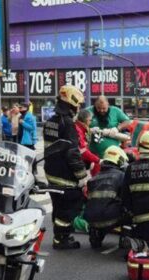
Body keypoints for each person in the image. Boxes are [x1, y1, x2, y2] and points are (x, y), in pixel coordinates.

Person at [43, 85, 89, 250]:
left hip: (51, 172)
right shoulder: (68, 124)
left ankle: (58, 236)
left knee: (58, 205)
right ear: (73, 103)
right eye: (78, 105)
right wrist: (82, 176)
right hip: (64, 174)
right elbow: (72, 153)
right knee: (71, 204)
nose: (79, 108)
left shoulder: (50, 122)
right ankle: (62, 238)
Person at [84, 146, 129, 249]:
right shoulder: (122, 176)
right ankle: (126, 239)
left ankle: (95, 234)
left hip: (91, 220)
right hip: (111, 219)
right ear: (120, 160)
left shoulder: (93, 179)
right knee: (131, 208)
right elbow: (127, 199)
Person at [74, 110, 101, 177]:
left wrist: (90, 130)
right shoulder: (78, 130)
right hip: (77, 163)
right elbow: (83, 151)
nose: (91, 122)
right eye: (90, 120)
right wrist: (97, 160)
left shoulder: (81, 127)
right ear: (86, 120)